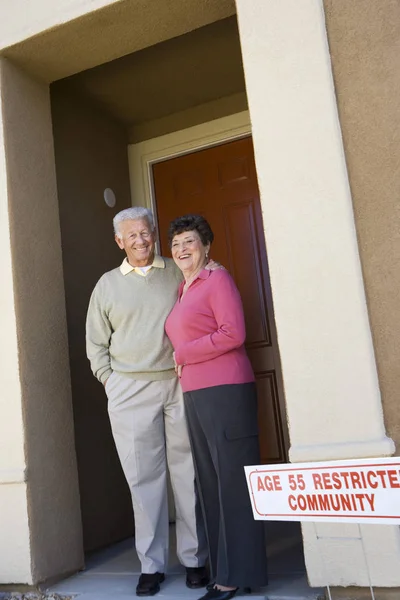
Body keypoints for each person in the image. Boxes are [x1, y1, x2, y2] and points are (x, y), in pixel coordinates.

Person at [86, 207, 209, 597]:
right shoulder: (107, 285)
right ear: (119, 241)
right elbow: (95, 341)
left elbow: (205, 296)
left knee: (186, 474)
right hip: (129, 391)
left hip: (177, 384)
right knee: (143, 480)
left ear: (154, 233)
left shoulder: (175, 270)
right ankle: (151, 565)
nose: (140, 240)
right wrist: (110, 380)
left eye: (145, 232)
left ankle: (194, 559)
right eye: (131, 235)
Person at [165, 214, 268, 600]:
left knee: (233, 484)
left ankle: (236, 575)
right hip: (195, 393)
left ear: (206, 245)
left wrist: (184, 353)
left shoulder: (217, 279)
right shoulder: (183, 289)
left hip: (226, 390)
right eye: (175, 244)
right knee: (211, 483)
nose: (181, 249)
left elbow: (233, 333)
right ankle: (226, 569)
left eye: (189, 241)